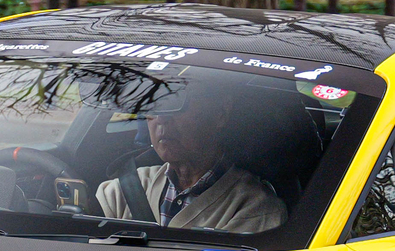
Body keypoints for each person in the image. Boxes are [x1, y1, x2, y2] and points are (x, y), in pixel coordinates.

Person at [94, 75, 287, 234]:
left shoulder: (255, 209)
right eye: (152, 104)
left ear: (220, 113)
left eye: (177, 103)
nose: (161, 118)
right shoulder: (122, 190)